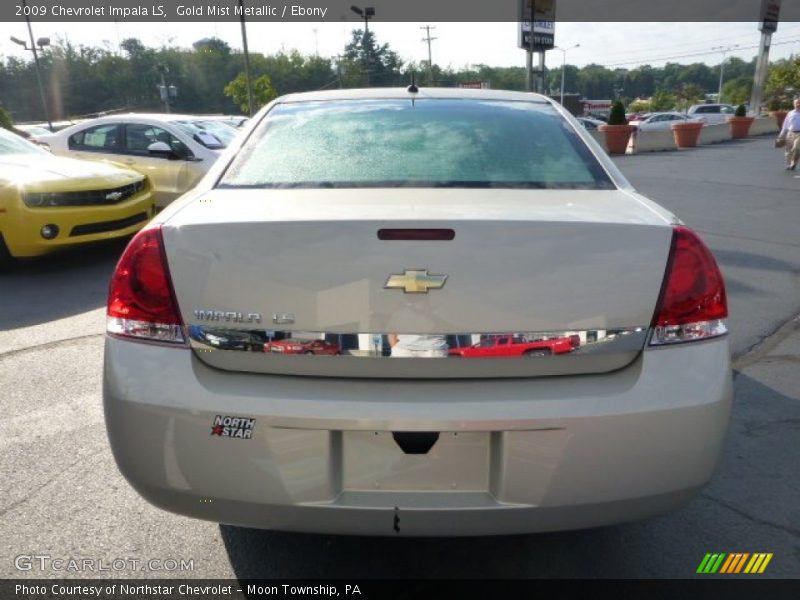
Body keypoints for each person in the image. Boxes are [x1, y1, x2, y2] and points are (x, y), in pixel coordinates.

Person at [777, 97, 800, 170]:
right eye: (797, 103)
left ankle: (794, 163)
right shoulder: (790, 113)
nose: (798, 104)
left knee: (797, 148)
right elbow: (785, 124)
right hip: (790, 133)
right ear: (794, 104)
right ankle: (789, 164)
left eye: (799, 103)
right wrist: (781, 135)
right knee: (788, 150)